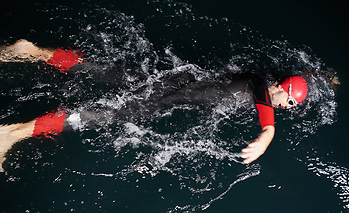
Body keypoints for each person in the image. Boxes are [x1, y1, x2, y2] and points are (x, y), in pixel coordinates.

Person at [0, 39, 308, 172]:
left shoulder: (260, 84)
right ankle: (16, 132)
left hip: (177, 79)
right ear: (280, 87)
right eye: (290, 101)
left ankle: (33, 52)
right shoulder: (257, 82)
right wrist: (268, 132)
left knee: (113, 75)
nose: (290, 107)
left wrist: (326, 77)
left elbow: (265, 97)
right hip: (173, 95)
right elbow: (262, 98)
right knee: (111, 115)